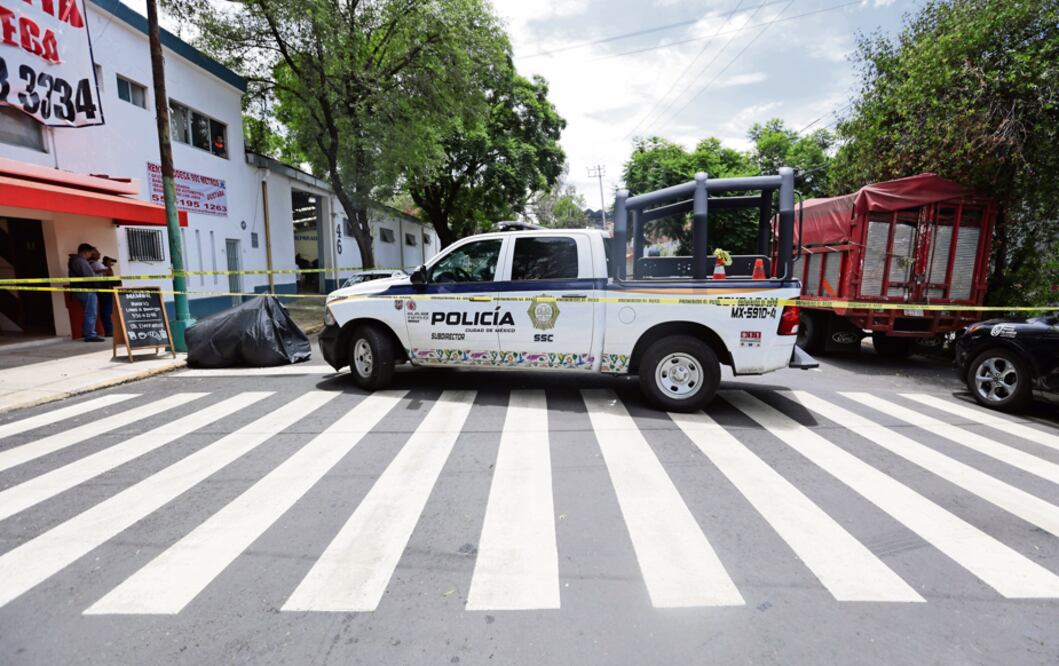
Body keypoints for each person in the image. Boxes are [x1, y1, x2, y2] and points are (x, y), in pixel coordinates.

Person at [68, 243, 103, 342]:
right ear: (85, 252)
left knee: (88, 312)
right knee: (91, 312)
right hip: (87, 290)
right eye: (90, 253)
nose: (91, 255)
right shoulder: (80, 261)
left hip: (80, 290)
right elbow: (89, 276)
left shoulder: (74, 261)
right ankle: (90, 334)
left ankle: (86, 332)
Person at [96, 256, 120, 337]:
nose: (111, 263)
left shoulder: (104, 268)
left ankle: (109, 330)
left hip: (106, 291)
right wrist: (108, 269)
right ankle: (109, 331)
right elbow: (109, 278)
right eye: (110, 262)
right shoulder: (104, 269)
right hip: (105, 291)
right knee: (106, 311)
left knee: (107, 311)